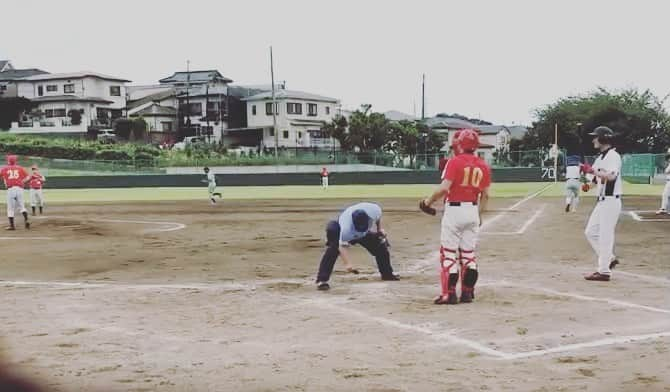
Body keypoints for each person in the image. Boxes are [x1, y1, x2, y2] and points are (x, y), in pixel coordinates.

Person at [420, 129, 491, 304]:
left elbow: (444, 188)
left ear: (459, 144)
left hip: (454, 210)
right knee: (468, 254)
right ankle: (467, 292)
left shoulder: (454, 162)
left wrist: (428, 201)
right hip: (472, 210)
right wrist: (479, 215)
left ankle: (449, 293)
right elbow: (486, 195)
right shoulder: (483, 165)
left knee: (449, 253)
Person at [315, 202, 399, 290]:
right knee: (333, 249)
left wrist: (379, 230)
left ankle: (387, 274)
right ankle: (322, 280)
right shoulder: (346, 229)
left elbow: (378, 219)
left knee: (380, 246)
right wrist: (348, 264)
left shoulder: (374, 210)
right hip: (342, 232)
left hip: (363, 234)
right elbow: (342, 246)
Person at [583, 126, 622, 282]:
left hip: (611, 200)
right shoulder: (599, 158)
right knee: (590, 232)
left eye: (595, 137)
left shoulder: (614, 156)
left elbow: (611, 176)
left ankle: (604, 271)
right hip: (601, 201)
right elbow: (594, 180)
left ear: (603, 139)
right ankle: (609, 258)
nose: (593, 140)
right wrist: (587, 185)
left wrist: (592, 172)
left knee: (605, 236)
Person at [1, 155, 30, 230]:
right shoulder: (20, 168)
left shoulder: (5, 168)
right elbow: (28, 177)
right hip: (19, 188)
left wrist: (5, 178)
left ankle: (12, 226)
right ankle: (26, 220)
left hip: (10, 189)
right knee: (22, 206)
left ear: (8, 161)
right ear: (15, 161)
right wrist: (22, 182)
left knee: (10, 208)